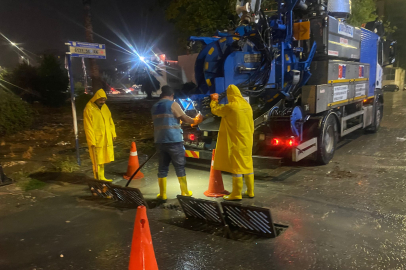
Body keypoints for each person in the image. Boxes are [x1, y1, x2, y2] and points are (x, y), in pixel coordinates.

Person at [151, 86, 203, 200]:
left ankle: (162, 194)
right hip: (174, 140)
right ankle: (184, 192)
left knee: (162, 168)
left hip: (159, 140)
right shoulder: (172, 104)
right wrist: (195, 121)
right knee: (179, 166)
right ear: (172, 95)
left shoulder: (155, 106)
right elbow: (184, 118)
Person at [210, 85, 255, 201]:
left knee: (237, 168)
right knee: (248, 165)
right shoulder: (247, 106)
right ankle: (250, 191)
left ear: (230, 95)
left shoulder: (231, 107)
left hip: (237, 142)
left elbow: (216, 111)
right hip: (248, 141)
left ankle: (236, 193)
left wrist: (214, 100)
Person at [84, 89, 116, 182]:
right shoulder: (89, 108)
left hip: (105, 137)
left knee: (102, 158)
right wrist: (91, 141)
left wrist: (113, 133)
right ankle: (98, 179)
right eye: (101, 100)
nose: (103, 102)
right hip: (96, 138)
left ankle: (102, 177)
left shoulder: (105, 107)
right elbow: (88, 126)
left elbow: (110, 121)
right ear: (96, 98)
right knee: (96, 160)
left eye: (104, 100)